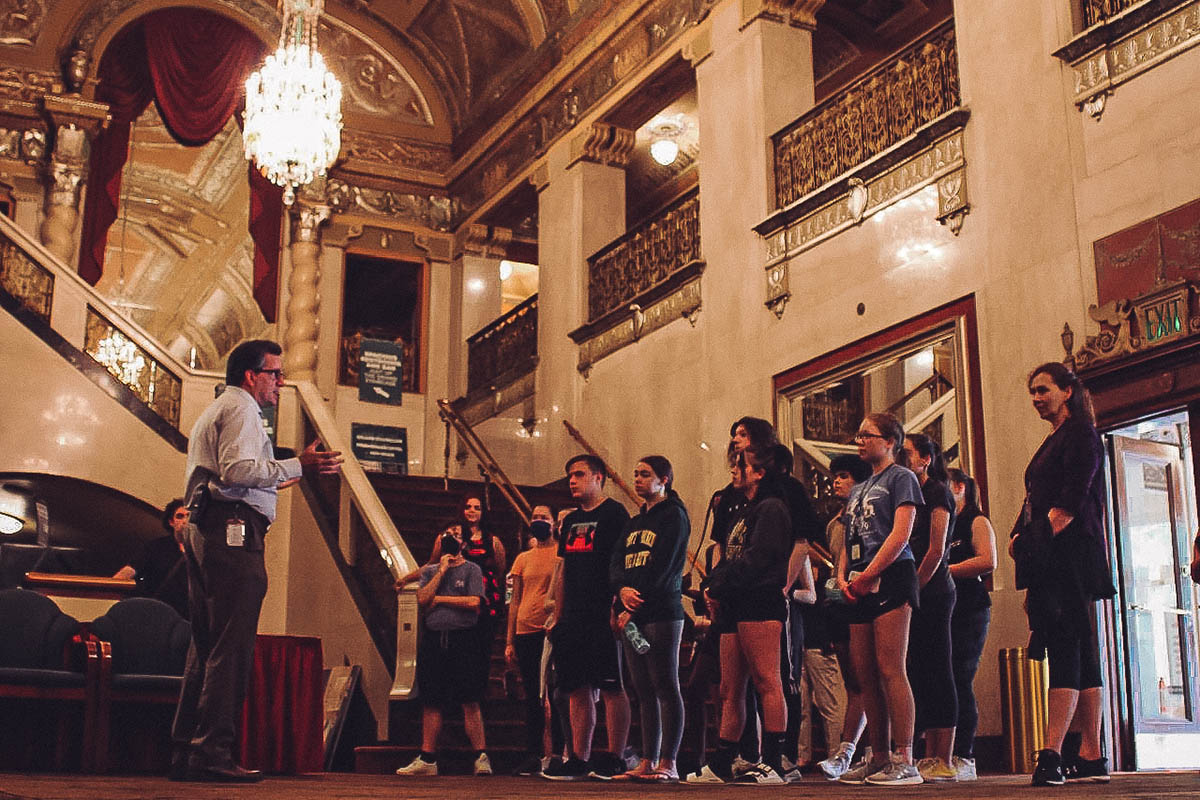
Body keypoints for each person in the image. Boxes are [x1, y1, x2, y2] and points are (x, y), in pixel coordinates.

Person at [171, 339, 343, 783]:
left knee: (207, 645)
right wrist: (297, 465)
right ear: (251, 375)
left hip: (206, 527)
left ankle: (185, 751)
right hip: (231, 534)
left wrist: (286, 470)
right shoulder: (244, 410)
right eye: (275, 374)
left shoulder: (218, 409)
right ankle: (212, 753)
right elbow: (237, 472)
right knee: (231, 647)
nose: (280, 383)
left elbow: (236, 475)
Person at [1013, 363, 1115, 786]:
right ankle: (1091, 753)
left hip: (1067, 555)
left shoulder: (1081, 436)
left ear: (1067, 391)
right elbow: (1038, 500)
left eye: (1043, 390)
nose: (1036, 398)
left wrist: (1031, 548)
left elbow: (1069, 503)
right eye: (1032, 392)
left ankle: (1053, 753)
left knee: (1066, 646)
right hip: (1055, 555)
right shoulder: (1055, 439)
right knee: (1083, 649)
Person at [689, 444, 792, 785]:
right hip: (735, 602)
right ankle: (722, 761)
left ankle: (775, 762)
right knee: (730, 688)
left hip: (759, 600)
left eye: (741, 465)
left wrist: (717, 586)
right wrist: (711, 585)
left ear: (759, 472)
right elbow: (730, 559)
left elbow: (758, 558)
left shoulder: (772, 508)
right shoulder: (744, 510)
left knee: (767, 680)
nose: (734, 471)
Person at [836, 412, 923, 786]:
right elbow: (849, 539)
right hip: (857, 581)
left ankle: (905, 758)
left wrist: (871, 573)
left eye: (866, 435)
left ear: (890, 441)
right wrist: (842, 576)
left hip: (890, 576)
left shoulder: (901, 478)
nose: (859, 441)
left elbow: (900, 534)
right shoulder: (857, 489)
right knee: (865, 674)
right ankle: (879, 756)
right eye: (857, 435)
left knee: (891, 667)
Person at [543, 454, 632, 781]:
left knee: (611, 686)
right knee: (577, 687)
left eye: (579, 474)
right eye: (569, 475)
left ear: (599, 478)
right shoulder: (570, 521)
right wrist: (560, 615)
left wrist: (616, 607)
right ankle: (579, 757)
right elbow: (564, 568)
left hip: (603, 613)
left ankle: (615, 756)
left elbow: (621, 564)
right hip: (574, 616)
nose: (572, 481)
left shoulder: (615, 514)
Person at [610, 456, 690, 782]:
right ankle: (647, 759)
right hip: (632, 614)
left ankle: (668, 762)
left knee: (665, 685)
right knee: (642, 687)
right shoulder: (633, 522)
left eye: (645, 474)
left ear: (664, 479)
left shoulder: (674, 516)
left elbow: (665, 565)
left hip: (661, 612)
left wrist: (634, 600)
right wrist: (621, 587)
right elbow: (616, 560)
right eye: (636, 474)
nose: (638, 479)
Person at [395, 532, 493, 777]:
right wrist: (441, 571)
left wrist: (440, 599)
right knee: (431, 700)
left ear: (463, 544)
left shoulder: (473, 569)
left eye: (455, 538)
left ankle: (480, 756)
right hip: (434, 640)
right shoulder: (429, 571)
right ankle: (428, 758)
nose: (450, 542)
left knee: (470, 699)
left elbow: (473, 603)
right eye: (444, 538)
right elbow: (422, 598)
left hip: (464, 640)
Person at [902, 433, 958, 782]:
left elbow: (935, 549)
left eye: (907, 453)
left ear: (925, 459)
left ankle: (945, 756)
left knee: (940, 668)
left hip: (934, 590)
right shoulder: (905, 492)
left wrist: (915, 588)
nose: (901, 457)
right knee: (919, 670)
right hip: (915, 589)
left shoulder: (937, 491)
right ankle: (927, 753)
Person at [814, 454, 872, 780]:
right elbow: (839, 566)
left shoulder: (870, 517)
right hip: (841, 605)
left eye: (845, 476)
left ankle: (859, 751)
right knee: (853, 682)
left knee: (870, 679)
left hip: (867, 600)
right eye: (835, 476)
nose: (837, 481)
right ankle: (853, 753)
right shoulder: (833, 524)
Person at [946, 467, 996, 781]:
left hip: (970, 607)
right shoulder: (944, 522)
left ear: (961, 487)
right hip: (945, 607)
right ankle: (943, 753)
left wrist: (944, 570)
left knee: (961, 677)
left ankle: (965, 755)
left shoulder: (976, 520)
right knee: (943, 679)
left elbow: (987, 560)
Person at [505, 504, 560, 776]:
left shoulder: (561, 553)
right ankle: (533, 753)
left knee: (556, 692)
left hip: (550, 629)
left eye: (544, 517)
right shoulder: (523, 558)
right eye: (535, 517)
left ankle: (559, 752)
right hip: (525, 629)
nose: (539, 521)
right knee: (532, 696)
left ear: (554, 522)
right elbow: (514, 601)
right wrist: (509, 639)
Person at [113, 499, 190, 619]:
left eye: (188, 516)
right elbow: (132, 569)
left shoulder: (202, 550)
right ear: (171, 522)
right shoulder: (157, 547)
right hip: (160, 614)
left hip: (189, 617)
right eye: (180, 516)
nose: (185, 521)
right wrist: (116, 583)